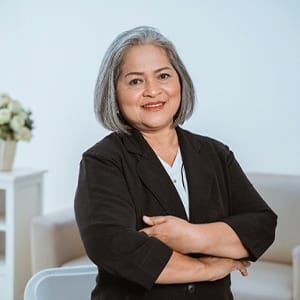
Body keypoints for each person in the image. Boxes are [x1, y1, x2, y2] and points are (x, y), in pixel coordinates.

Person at [74, 26, 277, 300]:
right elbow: (115, 248)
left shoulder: (215, 153)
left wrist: (192, 236)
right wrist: (207, 267)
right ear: (114, 93)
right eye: (135, 81)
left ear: (180, 81)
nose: (152, 91)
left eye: (163, 76)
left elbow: (261, 226)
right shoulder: (102, 161)